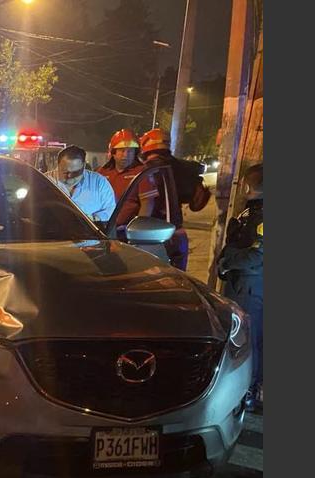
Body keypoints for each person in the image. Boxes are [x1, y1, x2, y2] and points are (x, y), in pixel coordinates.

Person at [218, 163, 263, 413]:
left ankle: (249, 392)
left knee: (249, 339)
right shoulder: (253, 211)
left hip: (250, 287)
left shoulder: (263, 215)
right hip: (243, 285)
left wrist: (226, 263)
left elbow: (257, 257)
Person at [139, 128, 212, 270]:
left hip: (152, 235)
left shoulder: (145, 171)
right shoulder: (186, 168)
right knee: (177, 279)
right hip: (177, 233)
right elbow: (196, 203)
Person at [97, 129, 158, 232]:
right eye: (122, 150)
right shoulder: (102, 172)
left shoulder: (142, 173)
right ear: (113, 153)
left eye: (130, 151)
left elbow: (147, 203)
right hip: (99, 229)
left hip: (124, 233)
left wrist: (136, 230)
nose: (126, 155)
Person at [46, 144, 116, 223]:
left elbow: (111, 210)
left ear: (84, 166)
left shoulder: (99, 183)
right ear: (58, 165)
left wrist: (95, 218)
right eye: (65, 172)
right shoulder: (44, 182)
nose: (70, 176)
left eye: (75, 173)